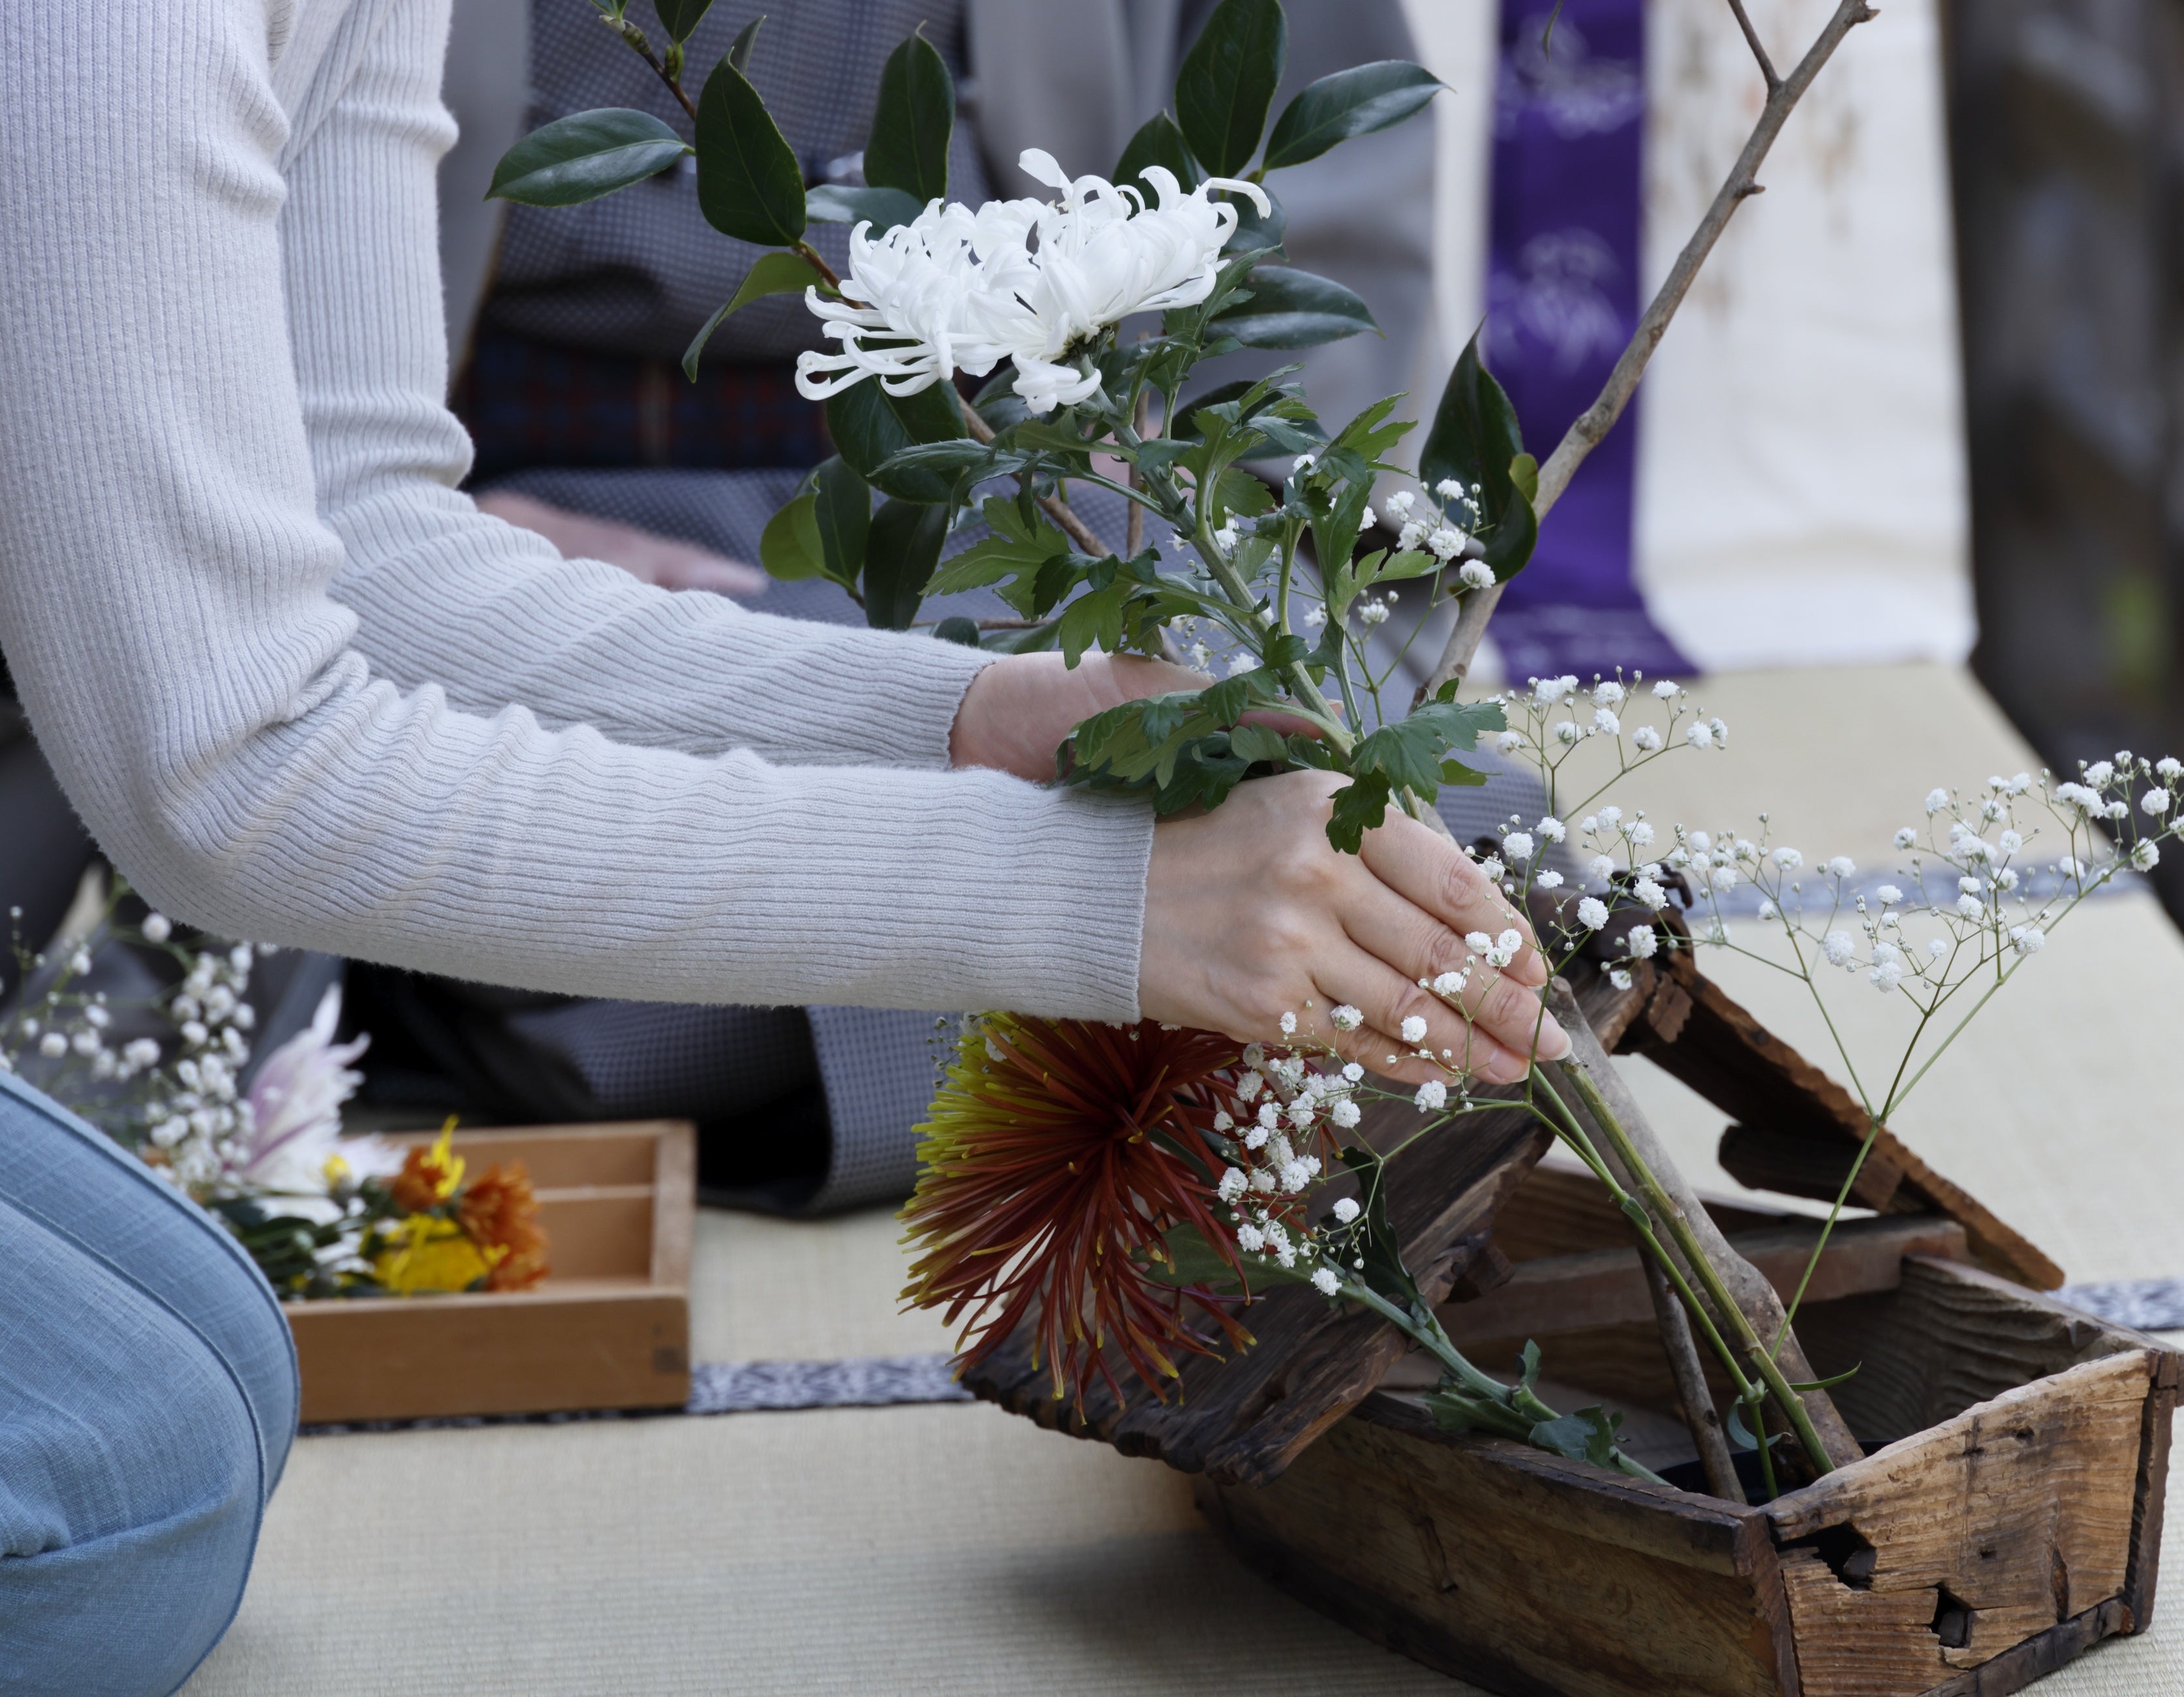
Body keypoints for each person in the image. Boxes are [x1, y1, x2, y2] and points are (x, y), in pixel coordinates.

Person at [0, 0, 1561, 1688]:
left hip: (942, 551)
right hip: (431, 595)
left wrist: (968, 717)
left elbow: (369, 546)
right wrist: (1090, 898)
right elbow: (230, 761)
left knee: (221, 1363)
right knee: (130, 1491)